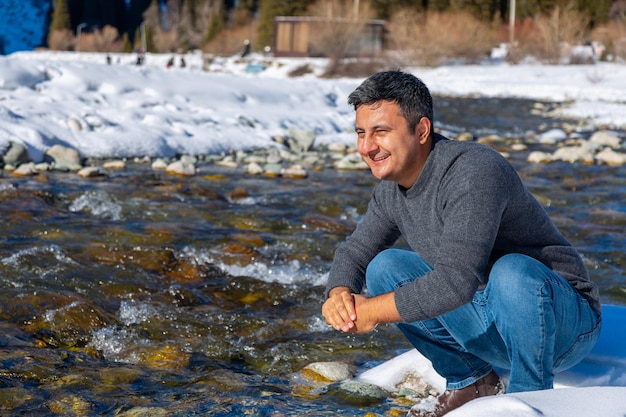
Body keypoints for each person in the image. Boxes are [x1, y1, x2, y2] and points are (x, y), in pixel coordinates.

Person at [321, 70, 602, 417]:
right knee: (385, 267)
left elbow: (456, 282)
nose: (366, 147)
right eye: (361, 133)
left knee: (511, 270)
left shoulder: (474, 171)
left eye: (381, 132)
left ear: (421, 130)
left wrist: (371, 311)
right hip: (486, 317)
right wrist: (339, 294)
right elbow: (356, 250)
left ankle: (528, 398)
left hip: (561, 326)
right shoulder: (391, 191)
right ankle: (472, 381)